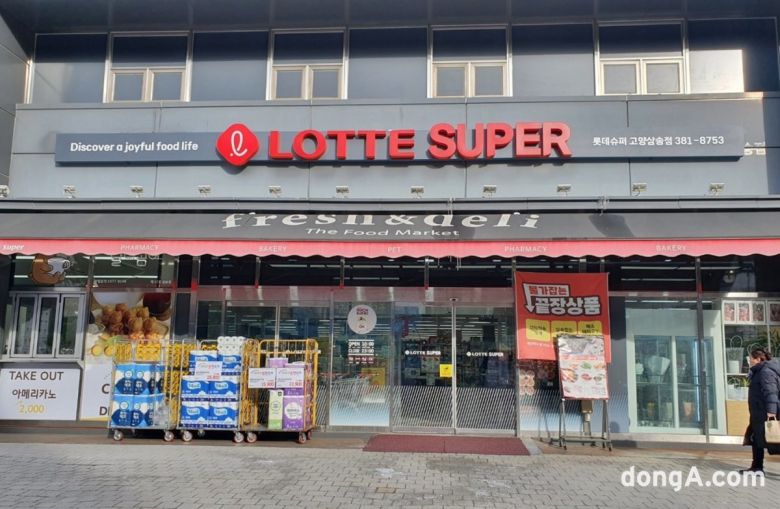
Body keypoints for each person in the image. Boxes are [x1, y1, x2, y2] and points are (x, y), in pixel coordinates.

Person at [742, 346, 780, 473]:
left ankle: (757, 467)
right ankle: (756, 467)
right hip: (758, 413)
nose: (750, 361)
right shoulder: (760, 371)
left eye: (751, 359)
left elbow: (771, 392)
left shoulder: (765, 372)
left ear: (758, 359)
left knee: (772, 440)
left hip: (764, 413)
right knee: (756, 439)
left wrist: (771, 412)